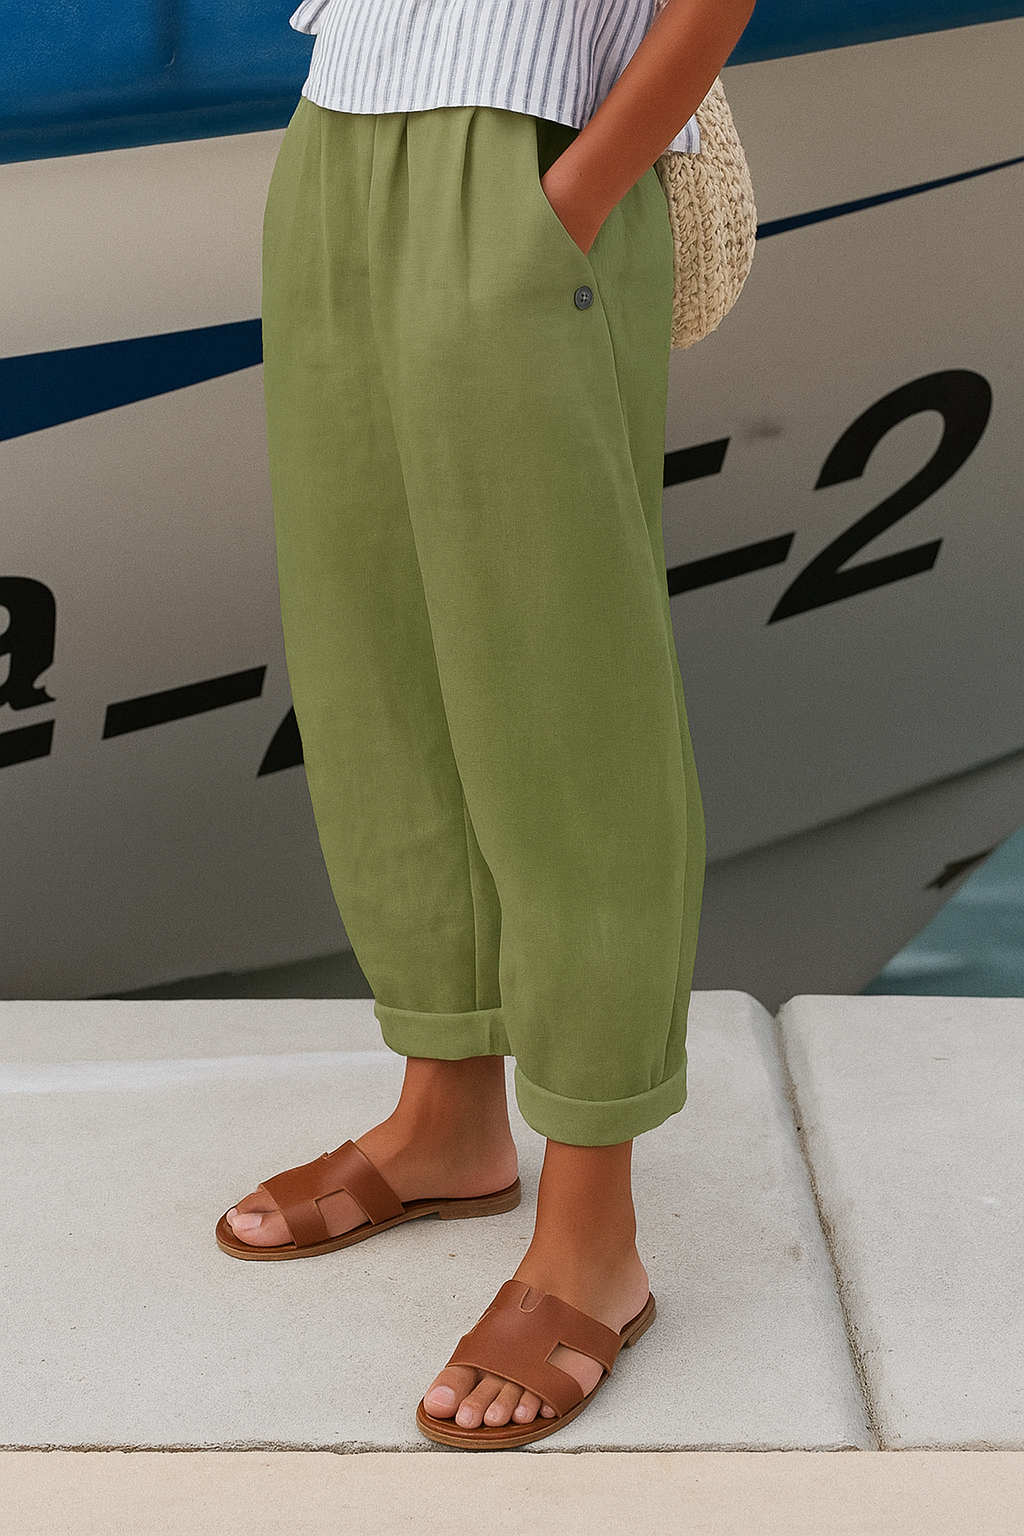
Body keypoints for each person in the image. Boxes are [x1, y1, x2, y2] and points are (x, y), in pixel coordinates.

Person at [216, 0, 756, 1448]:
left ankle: (593, 1236)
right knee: (375, 657)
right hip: (341, 133)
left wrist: (570, 200)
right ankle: (447, 1116)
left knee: (565, 697)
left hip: (532, 154)